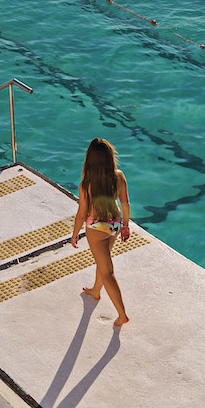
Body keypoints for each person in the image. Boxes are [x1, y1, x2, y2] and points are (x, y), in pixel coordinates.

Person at [72, 138, 130, 327]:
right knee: (103, 258)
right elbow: (125, 203)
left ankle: (122, 314)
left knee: (108, 271)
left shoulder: (86, 184)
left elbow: (82, 213)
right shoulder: (119, 176)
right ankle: (96, 290)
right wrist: (125, 225)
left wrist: (74, 233)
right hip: (114, 224)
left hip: (96, 228)